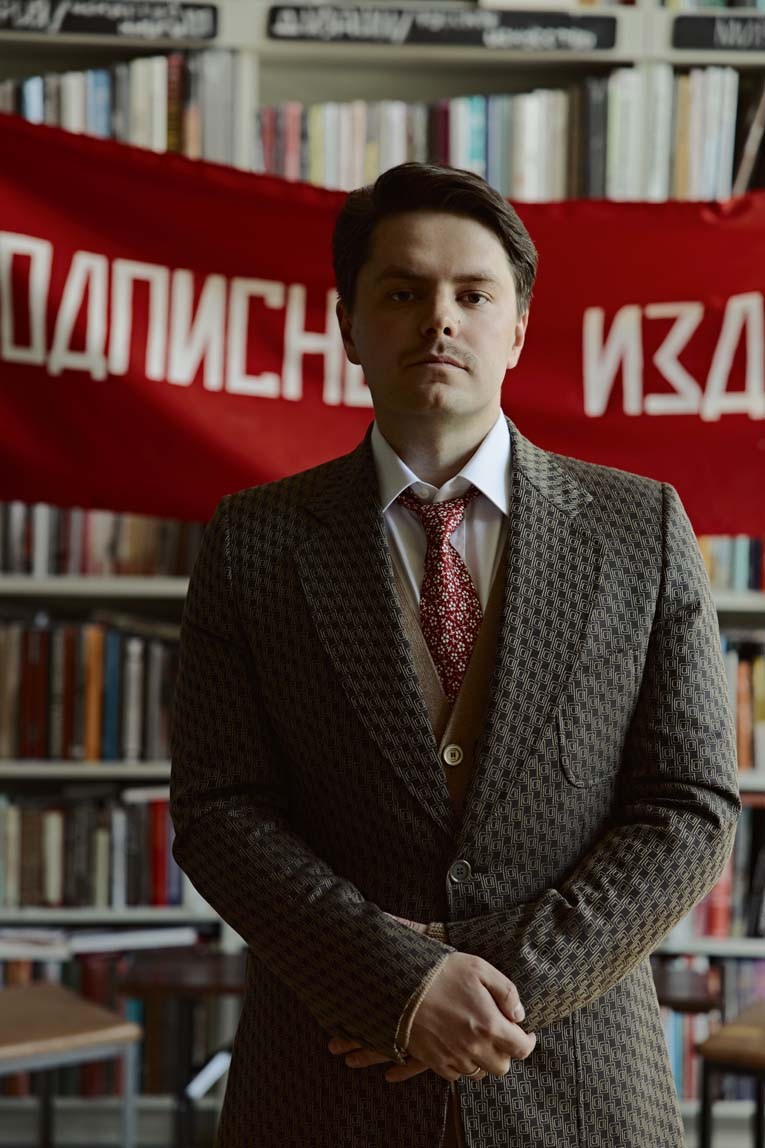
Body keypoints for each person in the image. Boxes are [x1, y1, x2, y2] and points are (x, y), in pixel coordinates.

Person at [169, 162, 740, 1148]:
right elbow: (219, 811)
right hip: (326, 1084)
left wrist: (485, 987)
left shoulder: (640, 527)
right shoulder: (250, 540)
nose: (439, 319)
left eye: (473, 295)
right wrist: (394, 984)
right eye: (403, 292)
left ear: (515, 329)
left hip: (578, 1082)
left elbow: (690, 803)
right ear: (348, 325)